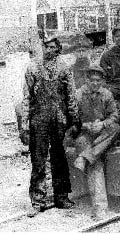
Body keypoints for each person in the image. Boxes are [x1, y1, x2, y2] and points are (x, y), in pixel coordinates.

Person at [20, 35, 79, 217]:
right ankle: (37, 200)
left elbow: (71, 95)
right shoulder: (33, 68)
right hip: (39, 120)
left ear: (58, 49)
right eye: (47, 46)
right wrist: (24, 124)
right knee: (38, 160)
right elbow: (26, 98)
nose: (50, 50)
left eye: (54, 47)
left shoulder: (64, 68)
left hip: (59, 119)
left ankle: (61, 196)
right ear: (42, 48)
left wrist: (74, 119)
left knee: (59, 158)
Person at [71, 64, 120, 220]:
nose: (95, 83)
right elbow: (71, 118)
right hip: (85, 135)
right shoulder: (78, 95)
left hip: (102, 135)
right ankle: (100, 208)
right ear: (86, 80)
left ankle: (84, 157)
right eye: (92, 80)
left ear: (102, 81)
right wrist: (86, 125)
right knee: (95, 163)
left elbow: (114, 115)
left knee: (115, 127)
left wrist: (103, 124)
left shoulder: (106, 94)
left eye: (98, 80)